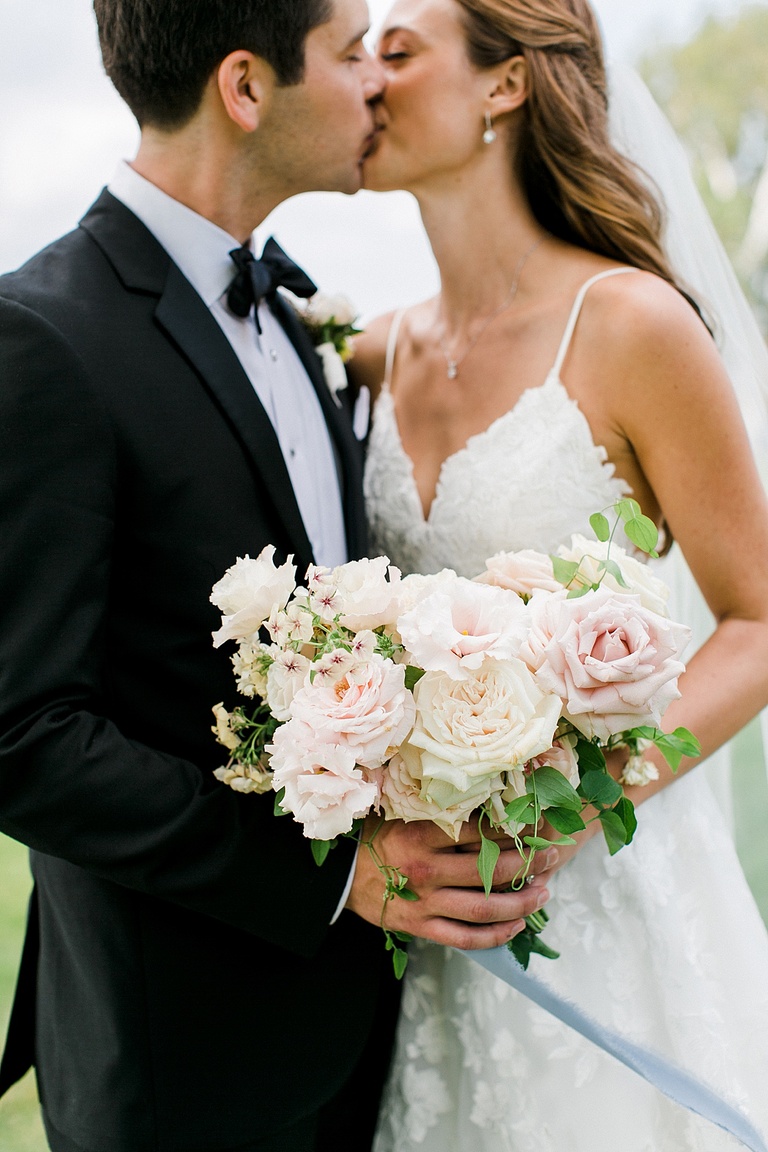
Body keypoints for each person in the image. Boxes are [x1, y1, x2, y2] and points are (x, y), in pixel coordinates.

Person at [0, 2, 554, 1150]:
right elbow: (23, 736)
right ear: (247, 89)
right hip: (181, 1067)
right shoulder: (43, 338)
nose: (376, 86)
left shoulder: (301, 322)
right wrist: (336, 879)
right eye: (352, 55)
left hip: (366, 1040)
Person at [351, 0, 768, 1147]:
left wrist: (585, 802)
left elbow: (759, 620)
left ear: (504, 85)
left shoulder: (631, 325)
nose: (364, 83)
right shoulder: (371, 350)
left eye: (398, 52)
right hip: (435, 912)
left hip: (605, 897)